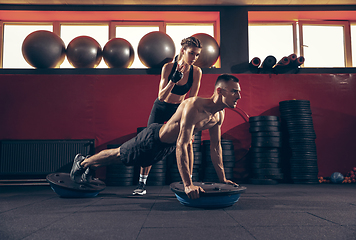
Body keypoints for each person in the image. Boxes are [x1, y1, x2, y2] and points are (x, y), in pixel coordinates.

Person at [70, 74, 241, 200]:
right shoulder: (193, 106)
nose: (239, 96)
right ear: (220, 91)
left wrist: (222, 179)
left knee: (122, 159)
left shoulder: (219, 116)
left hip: (166, 147)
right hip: (152, 139)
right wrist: (188, 184)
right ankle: (82, 162)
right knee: (119, 155)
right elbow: (182, 144)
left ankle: (88, 164)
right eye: (234, 92)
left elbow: (216, 147)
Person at [134, 36, 203, 195]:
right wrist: (173, 80)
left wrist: (190, 122)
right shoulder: (168, 67)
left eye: (197, 54)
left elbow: (191, 100)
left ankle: (189, 182)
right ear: (183, 51)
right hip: (161, 107)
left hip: (178, 109)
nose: (194, 58)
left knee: (188, 143)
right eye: (192, 53)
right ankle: (141, 184)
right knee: (149, 143)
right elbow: (161, 96)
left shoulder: (197, 72)